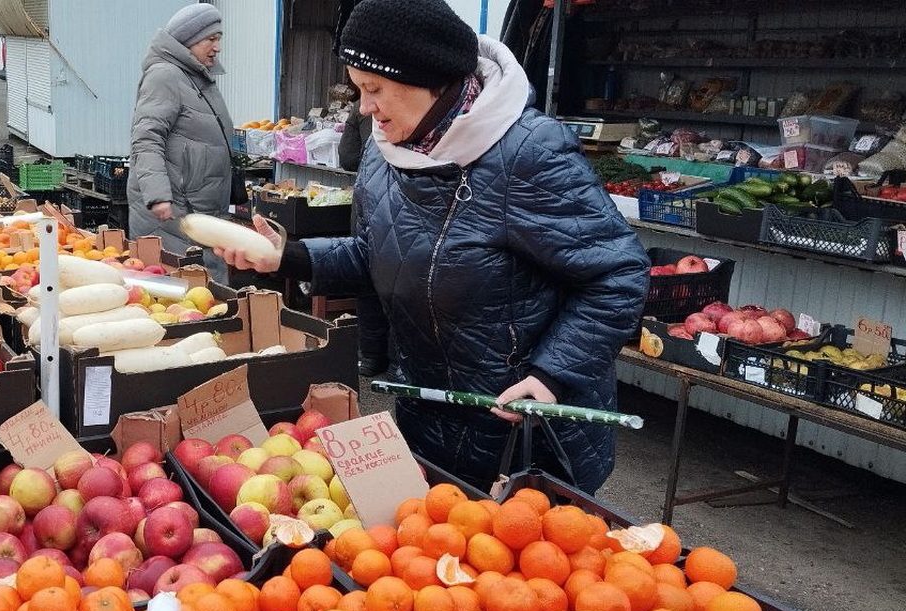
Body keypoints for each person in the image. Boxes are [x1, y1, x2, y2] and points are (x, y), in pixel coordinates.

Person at [213, 0, 650, 494]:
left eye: (373, 89)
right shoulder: (388, 155)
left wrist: (553, 373)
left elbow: (618, 274)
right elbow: (379, 254)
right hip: (428, 420)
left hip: (526, 433)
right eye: (358, 89)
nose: (364, 108)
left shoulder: (527, 154)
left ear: (433, 81)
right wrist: (289, 256)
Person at [128, 3, 234, 283]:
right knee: (183, 286)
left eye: (219, 38)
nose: (217, 46)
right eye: (211, 39)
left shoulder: (194, 76)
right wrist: (158, 195)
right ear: (189, 40)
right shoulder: (165, 76)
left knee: (201, 290)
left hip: (196, 206)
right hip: (173, 211)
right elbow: (146, 137)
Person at [339, 106, 391, 377]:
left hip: (368, 210)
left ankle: (371, 356)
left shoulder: (363, 115)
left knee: (367, 278)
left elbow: (347, 158)